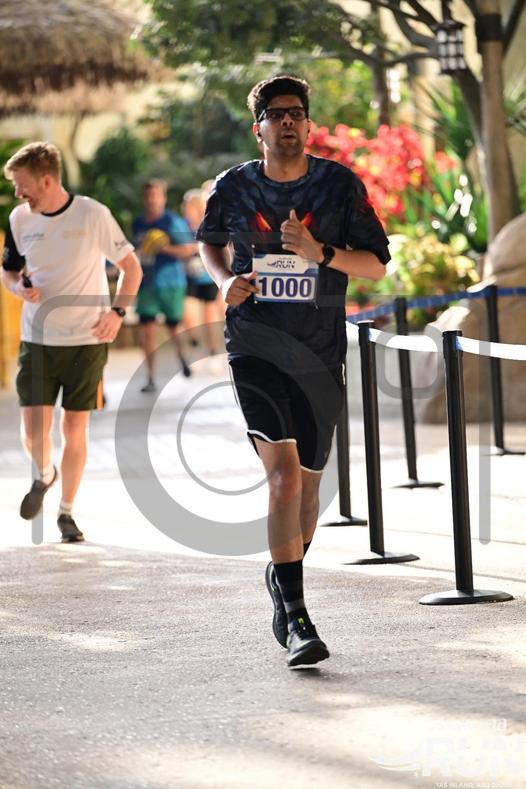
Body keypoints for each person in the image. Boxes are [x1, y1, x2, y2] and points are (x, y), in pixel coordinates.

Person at [197, 76, 389, 668]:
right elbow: (209, 242)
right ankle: (299, 618)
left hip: (319, 353)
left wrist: (319, 252)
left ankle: (282, 576)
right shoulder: (233, 187)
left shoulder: (338, 186)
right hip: (255, 346)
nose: (287, 121)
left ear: (308, 125)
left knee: (307, 489)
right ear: (258, 128)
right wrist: (224, 281)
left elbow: (376, 266)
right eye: (276, 113)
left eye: (296, 113)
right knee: (282, 477)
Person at [1, 141, 142, 542]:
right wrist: (18, 288)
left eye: (22, 185)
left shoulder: (92, 214)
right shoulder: (19, 219)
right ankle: (45, 474)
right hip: (38, 338)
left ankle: (66, 512)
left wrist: (116, 314)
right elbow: (9, 271)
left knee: (74, 427)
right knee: (33, 431)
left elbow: (131, 268)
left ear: (46, 180)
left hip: (86, 339)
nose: (18, 193)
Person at [132, 179, 198, 392]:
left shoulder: (172, 222)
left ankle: (182, 357)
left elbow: (189, 249)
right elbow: (136, 250)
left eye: (156, 195)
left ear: (163, 198)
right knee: (147, 330)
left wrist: (163, 247)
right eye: (149, 195)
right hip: (147, 283)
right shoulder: (138, 223)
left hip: (171, 283)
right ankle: (150, 377)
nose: (152, 199)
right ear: (144, 198)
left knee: (173, 327)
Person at [181, 188, 222, 359]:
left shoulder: (208, 224)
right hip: (189, 277)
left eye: (190, 206)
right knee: (187, 312)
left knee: (209, 316)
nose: (187, 209)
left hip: (208, 277)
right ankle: (195, 343)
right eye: (185, 206)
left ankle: (213, 351)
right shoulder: (182, 226)